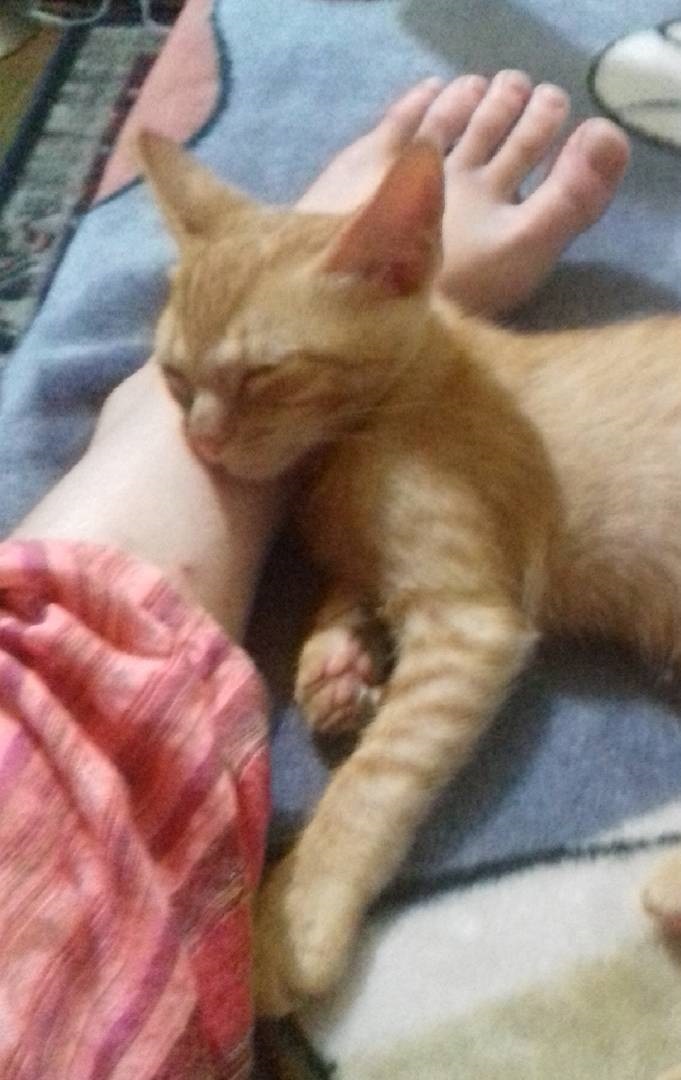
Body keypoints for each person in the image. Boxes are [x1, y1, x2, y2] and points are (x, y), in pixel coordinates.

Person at [1, 75, 628, 1078]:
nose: (208, 433)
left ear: (403, 269)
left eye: (258, 382)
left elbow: (469, 627)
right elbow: (434, 547)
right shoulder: (367, 434)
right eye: (177, 383)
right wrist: (351, 607)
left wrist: (323, 871)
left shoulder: (430, 433)